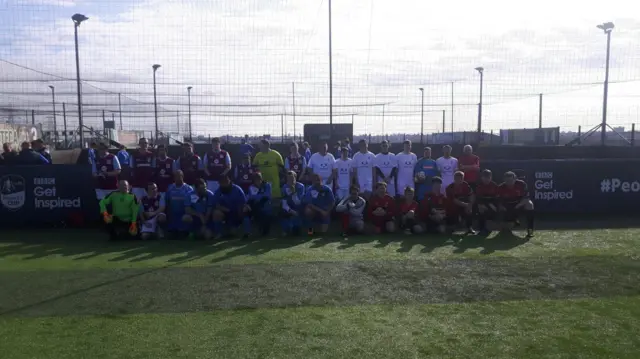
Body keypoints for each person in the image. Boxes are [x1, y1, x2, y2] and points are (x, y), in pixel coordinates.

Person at [212, 175, 251, 239]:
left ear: (229, 181)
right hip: (226, 213)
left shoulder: (238, 189)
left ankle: (247, 233)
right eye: (222, 182)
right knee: (216, 213)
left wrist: (240, 213)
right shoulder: (218, 191)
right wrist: (226, 209)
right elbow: (216, 205)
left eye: (225, 182)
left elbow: (243, 203)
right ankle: (218, 233)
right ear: (219, 183)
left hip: (237, 212)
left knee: (245, 211)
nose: (224, 184)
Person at [498, 171, 535, 237]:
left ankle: (530, 230)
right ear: (504, 180)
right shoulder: (500, 187)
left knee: (530, 204)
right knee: (506, 230)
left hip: (519, 204)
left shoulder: (522, 184)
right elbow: (499, 201)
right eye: (507, 181)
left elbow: (526, 198)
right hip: (507, 207)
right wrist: (502, 207)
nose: (509, 183)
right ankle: (506, 224)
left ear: (515, 179)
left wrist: (518, 206)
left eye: (511, 180)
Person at [165, 170, 195, 237]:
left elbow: (194, 203)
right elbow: (167, 202)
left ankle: (188, 230)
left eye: (179, 176)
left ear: (182, 177)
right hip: (173, 216)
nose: (177, 178)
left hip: (184, 215)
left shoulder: (189, 188)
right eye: (176, 176)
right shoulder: (170, 188)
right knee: (172, 235)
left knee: (182, 234)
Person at [280, 171, 306, 236]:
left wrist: (294, 192)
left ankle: (298, 228)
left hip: (298, 208)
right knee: (282, 212)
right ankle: (285, 229)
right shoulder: (284, 187)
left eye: (292, 178)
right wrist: (290, 210)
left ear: (295, 178)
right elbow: (284, 203)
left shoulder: (301, 186)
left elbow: (298, 202)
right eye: (288, 179)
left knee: (296, 232)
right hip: (289, 208)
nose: (290, 181)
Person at [475, 169, 499, 235]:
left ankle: (489, 228)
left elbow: (497, 198)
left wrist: (492, 205)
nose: (486, 179)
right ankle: (481, 228)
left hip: (493, 204)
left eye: (488, 177)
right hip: (483, 204)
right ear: (482, 177)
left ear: (491, 177)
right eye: (485, 177)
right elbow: (478, 198)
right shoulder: (479, 186)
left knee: (492, 210)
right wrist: (483, 205)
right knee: (481, 209)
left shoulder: (494, 185)